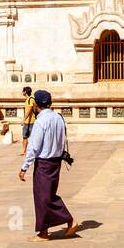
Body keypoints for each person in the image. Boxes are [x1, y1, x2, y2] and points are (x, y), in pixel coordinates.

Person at [17, 90, 77, 240]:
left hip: (44, 163)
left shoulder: (40, 121)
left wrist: (24, 167)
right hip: (56, 162)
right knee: (45, 196)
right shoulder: (58, 117)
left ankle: (69, 221)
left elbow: (33, 147)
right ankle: (43, 232)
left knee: (44, 197)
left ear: (36, 104)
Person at [19, 86, 38, 155]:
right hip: (27, 122)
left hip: (32, 122)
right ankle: (23, 151)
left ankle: (34, 151)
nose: (22, 92)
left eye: (23, 91)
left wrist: (23, 119)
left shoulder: (31, 99)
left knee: (33, 137)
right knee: (24, 137)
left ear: (25, 92)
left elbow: (30, 110)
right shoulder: (27, 100)